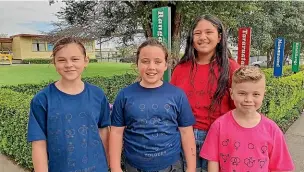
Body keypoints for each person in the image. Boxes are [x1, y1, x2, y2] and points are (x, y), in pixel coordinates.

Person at [109, 39, 196, 172]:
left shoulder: (177, 95)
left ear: (166, 65)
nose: (151, 67)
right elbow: (116, 132)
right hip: (134, 166)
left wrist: (191, 168)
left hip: (171, 166)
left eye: (157, 61)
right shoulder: (124, 95)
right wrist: (115, 167)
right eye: (145, 61)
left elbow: (186, 133)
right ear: (137, 63)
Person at [27, 37, 110, 172]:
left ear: (86, 61)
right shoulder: (42, 99)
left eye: (75, 59)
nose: (69, 64)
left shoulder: (97, 94)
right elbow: (39, 143)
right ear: (54, 63)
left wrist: (109, 165)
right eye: (61, 60)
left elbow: (104, 131)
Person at [170, 15, 240, 171]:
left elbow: (241, 108)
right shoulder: (180, 69)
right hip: (183, 138)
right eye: (197, 33)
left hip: (219, 138)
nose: (203, 37)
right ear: (191, 38)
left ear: (219, 37)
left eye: (209, 32)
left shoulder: (231, 68)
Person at [200, 66, 295, 172]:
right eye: (242, 93)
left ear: (263, 95)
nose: (248, 100)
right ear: (232, 93)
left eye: (256, 94)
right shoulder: (219, 126)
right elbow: (213, 161)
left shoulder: (272, 130)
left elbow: (279, 167)